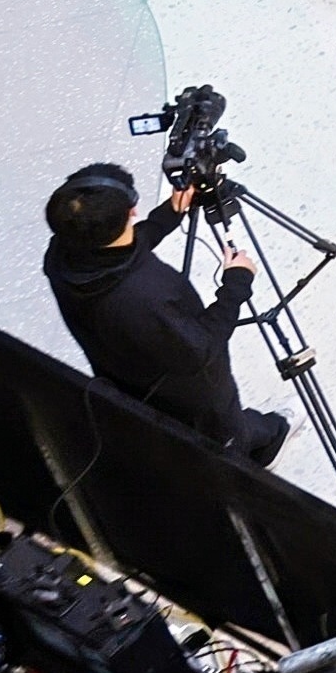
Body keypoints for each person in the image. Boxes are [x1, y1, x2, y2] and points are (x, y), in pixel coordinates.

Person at [41, 167, 288, 462]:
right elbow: (202, 349)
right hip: (190, 389)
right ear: (132, 212)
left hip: (127, 374)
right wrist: (237, 281)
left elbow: (121, 251)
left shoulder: (64, 255)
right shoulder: (144, 298)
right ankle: (260, 447)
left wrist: (169, 213)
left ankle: (253, 433)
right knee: (224, 432)